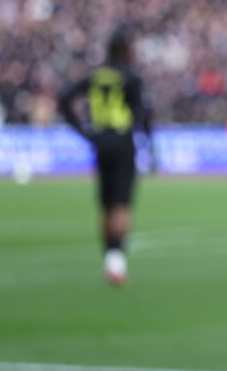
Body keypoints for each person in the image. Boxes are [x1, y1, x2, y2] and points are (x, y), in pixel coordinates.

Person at [58, 29, 154, 286]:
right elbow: (143, 114)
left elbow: (64, 99)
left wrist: (83, 131)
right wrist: (151, 147)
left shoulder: (96, 76)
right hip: (123, 143)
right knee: (122, 203)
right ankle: (117, 261)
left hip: (101, 142)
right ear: (125, 49)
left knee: (105, 203)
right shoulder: (131, 78)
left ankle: (109, 257)